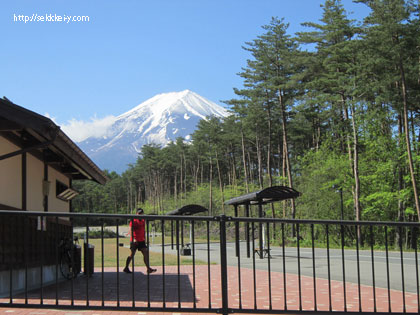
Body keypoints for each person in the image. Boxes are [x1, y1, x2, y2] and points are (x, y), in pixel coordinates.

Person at [124, 207, 157, 274]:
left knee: (145, 253)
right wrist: (133, 239)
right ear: (136, 213)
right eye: (139, 213)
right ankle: (126, 268)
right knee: (131, 255)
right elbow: (130, 230)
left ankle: (148, 269)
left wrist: (145, 239)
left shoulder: (143, 221)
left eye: (141, 213)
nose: (140, 215)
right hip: (134, 240)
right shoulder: (133, 220)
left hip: (141, 240)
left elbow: (143, 230)